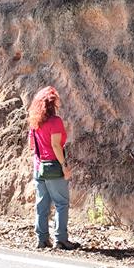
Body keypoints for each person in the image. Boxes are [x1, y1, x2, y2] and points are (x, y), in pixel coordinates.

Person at [28, 86, 80, 250]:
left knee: (42, 205)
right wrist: (64, 166)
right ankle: (61, 240)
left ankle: (42, 239)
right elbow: (56, 146)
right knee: (61, 203)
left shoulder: (35, 122)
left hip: (38, 167)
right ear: (51, 104)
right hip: (53, 167)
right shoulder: (55, 121)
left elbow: (31, 145)